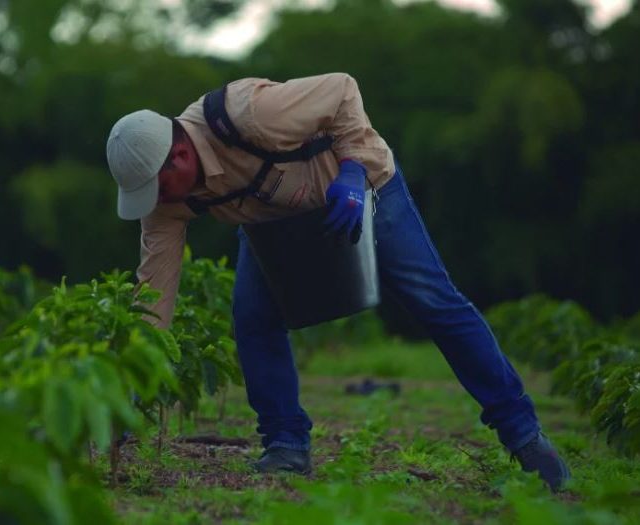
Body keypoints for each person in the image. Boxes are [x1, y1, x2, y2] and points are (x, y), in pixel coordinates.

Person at [105, 73, 571, 491]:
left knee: (434, 300)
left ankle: (525, 435)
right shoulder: (166, 203)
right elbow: (153, 294)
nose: (157, 199)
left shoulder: (248, 114)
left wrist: (351, 171)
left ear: (180, 153)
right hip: (274, 222)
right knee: (253, 319)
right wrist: (128, 386)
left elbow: (342, 89)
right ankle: (286, 442)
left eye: (158, 186)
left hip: (358, 193)